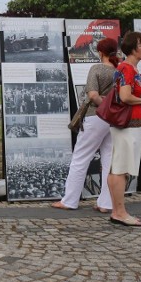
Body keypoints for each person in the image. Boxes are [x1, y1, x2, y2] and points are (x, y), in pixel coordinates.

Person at [51, 38, 118, 213]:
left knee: (80, 158)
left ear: (100, 52)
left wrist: (105, 106)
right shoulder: (119, 70)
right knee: (109, 161)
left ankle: (70, 200)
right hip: (114, 120)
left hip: (96, 117)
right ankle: (106, 203)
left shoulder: (96, 69)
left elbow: (93, 95)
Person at [107, 32, 141, 227]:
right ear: (132, 47)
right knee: (120, 169)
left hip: (131, 124)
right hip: (127, 125)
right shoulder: (127, 68)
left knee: (119, 167)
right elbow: (125, 96)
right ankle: (119, 212)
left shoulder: (131, 69)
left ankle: (118, 211)